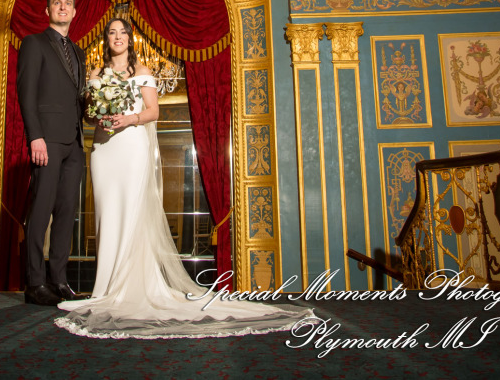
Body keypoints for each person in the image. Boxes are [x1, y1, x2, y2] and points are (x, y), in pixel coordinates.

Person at [56, 18, 316, 339]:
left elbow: (153, 112)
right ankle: (105, 288)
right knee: (106, 215)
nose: (117, 37)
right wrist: (100, 116)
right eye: (112, 32)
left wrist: (129, 119)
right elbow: (87, 113)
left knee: (131, 214)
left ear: (130, 39)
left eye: (123, 32)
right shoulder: (96, 73)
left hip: (132, 146)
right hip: (104, 149)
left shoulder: (143, 71)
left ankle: (130, 286)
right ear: (106, 38)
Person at [16, 0, 86, 306]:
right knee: (41, 212)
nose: (62, 7)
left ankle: (59, 280)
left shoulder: (79, 52)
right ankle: (34, 283)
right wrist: (35, 136)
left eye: (67, 3)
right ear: (47, 10)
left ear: (74, 11)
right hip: (47, 141)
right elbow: (26, 93)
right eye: (57, 3)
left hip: (74, 142)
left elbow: (77, 98)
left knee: (66, 213)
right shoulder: (33, 43)